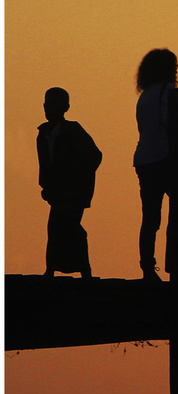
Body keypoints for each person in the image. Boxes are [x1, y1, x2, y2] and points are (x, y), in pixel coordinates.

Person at [36, 86, 101, 278]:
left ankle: (83, 269)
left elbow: (94, 156)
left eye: (54, 104)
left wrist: (75, 176)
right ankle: (52, 268)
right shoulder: (44, 132)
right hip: (57, 191)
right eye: (47, 104)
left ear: (65, 107)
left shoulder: (73, 130)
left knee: (69, 227)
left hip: (74, 191)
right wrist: (46, 186)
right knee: (55, 228)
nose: (48, 108)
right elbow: (45, 164)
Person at [133, 48, 178, 280]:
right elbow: (171, 122)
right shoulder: (167, 92)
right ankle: (177, 263)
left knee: (150, 217)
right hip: (164, 158)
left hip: (144, 159)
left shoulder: (145, 95)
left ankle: (147, 266)